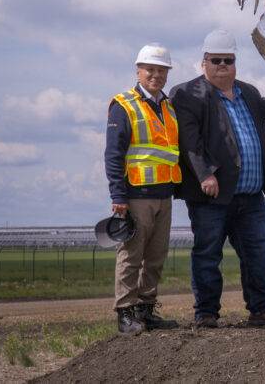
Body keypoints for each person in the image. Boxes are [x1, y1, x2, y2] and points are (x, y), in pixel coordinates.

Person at [171, 29, 265, 328]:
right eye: (216, 60)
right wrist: (205, 173)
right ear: (204, 63)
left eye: (228, 60)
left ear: (235, 62)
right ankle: (206, 313)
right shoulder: (188, 94)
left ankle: (261, 309)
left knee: (258, 253)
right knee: (208, 254)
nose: (223, 65)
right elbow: (189, 140)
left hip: (251, 196)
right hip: (212, 197)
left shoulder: (247, 91)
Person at [104, 43, 180, 334]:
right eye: (151, 69)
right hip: (135, 196)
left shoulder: (168, 106)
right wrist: (117, 196)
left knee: (156, 258)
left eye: (162, 70)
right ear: (138, 71)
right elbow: (113, 154)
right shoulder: (124, 105)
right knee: (131, 257)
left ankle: (145, 309)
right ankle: (125, 313)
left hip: (164, 195)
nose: (156, 75)